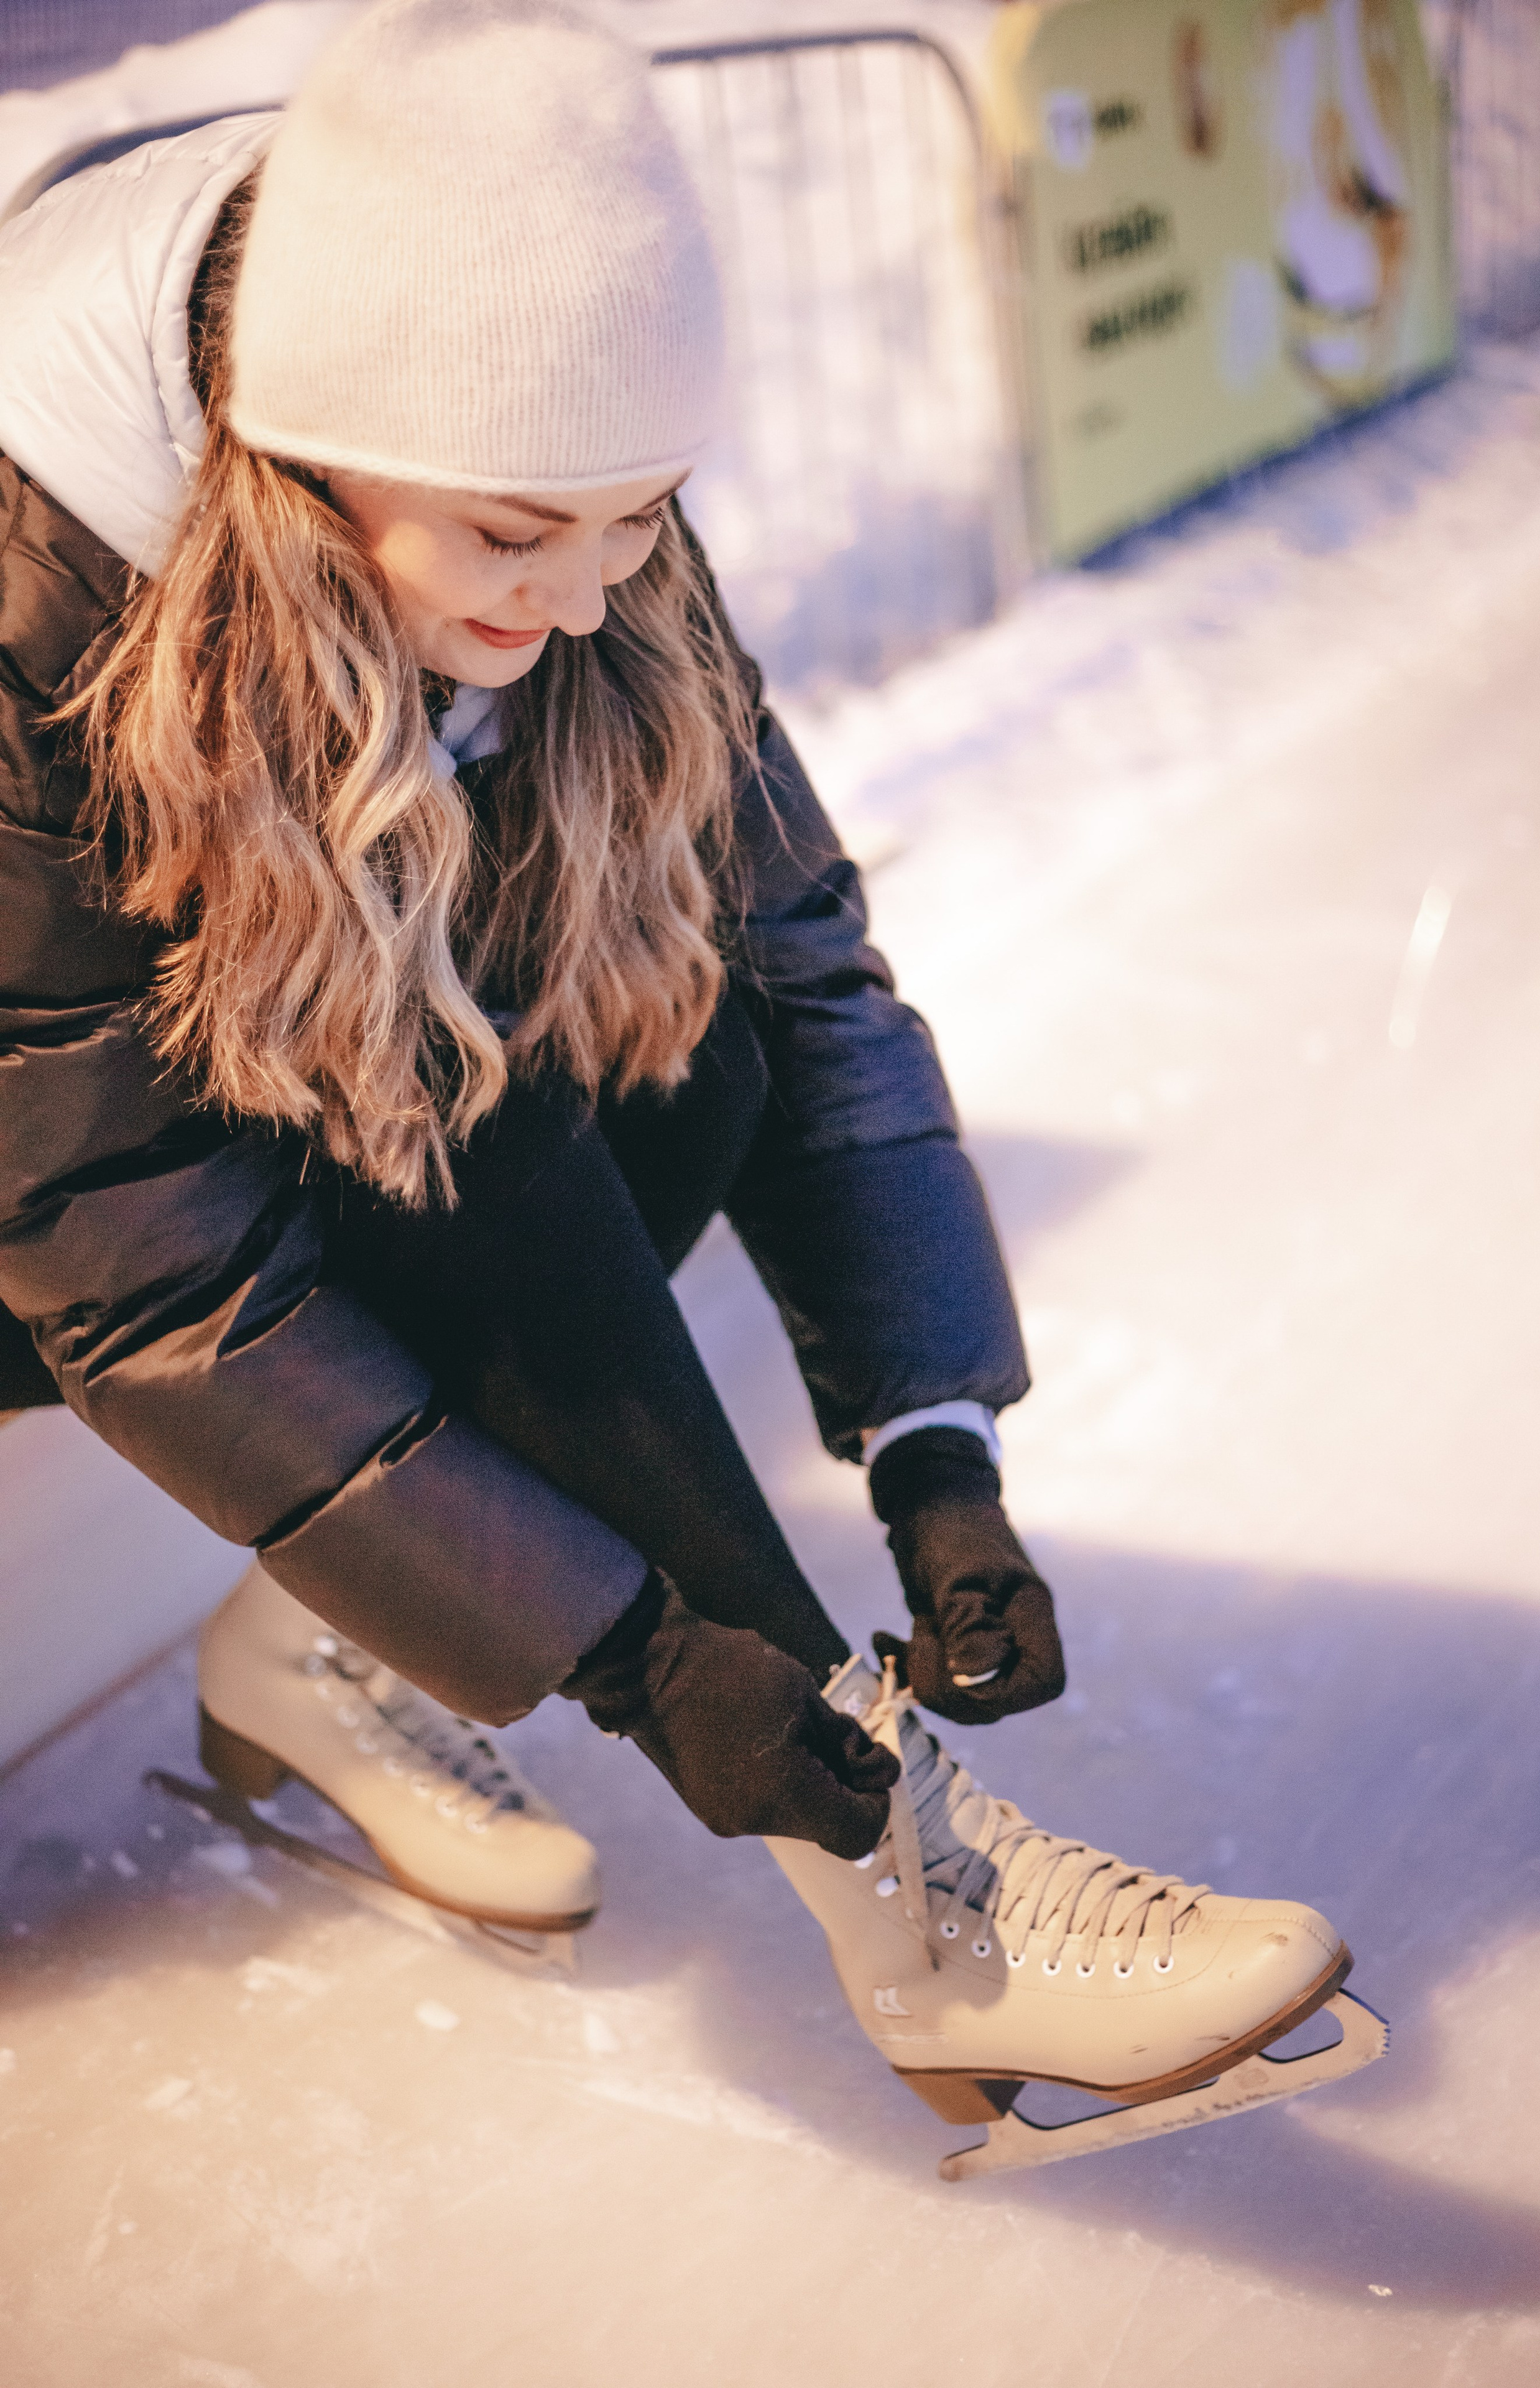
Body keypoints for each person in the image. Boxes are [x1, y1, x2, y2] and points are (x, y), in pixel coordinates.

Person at [0, 0, 1362, 2155]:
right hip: (52, 1216)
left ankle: (317, 1638)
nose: (584, 592)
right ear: (301, 459)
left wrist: (936, 1444)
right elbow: (134, 1259)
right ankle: (921, 1893)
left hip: (166, 1174)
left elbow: (807, 961)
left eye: (644, 520)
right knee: (447, 1102)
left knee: (682, 1030)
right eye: (522, 534)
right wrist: (646, 1657)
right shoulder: (32, 588)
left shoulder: (548, 450)